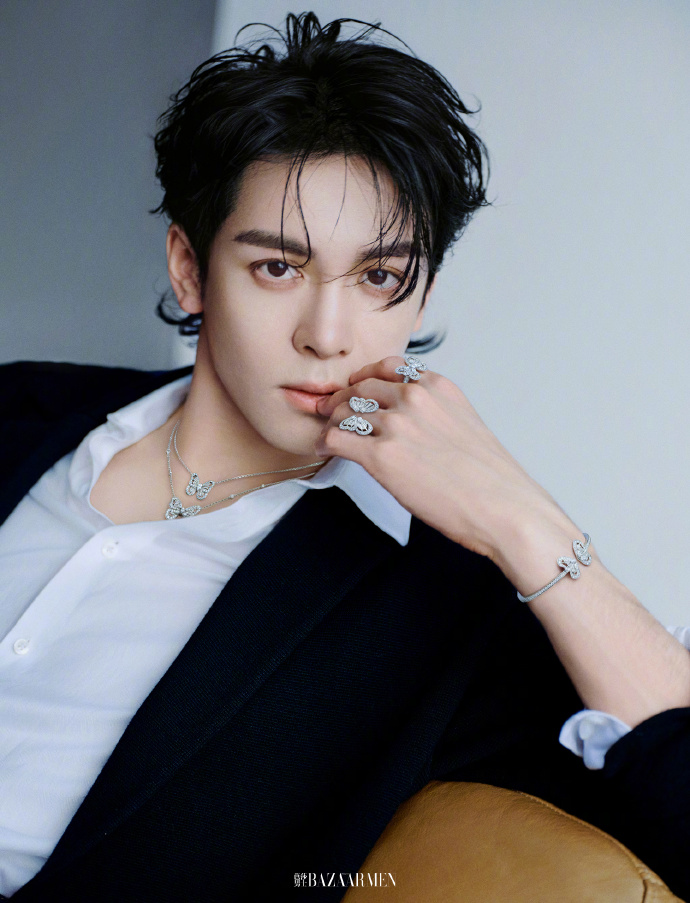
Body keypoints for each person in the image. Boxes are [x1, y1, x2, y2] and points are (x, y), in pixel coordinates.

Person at [1, 11, 689, 901]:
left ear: (420, 295)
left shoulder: (435, 617)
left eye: (378, 277)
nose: (327, 336)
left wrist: (522, 519)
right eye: (277, 268)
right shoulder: (22, 408)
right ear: (188, 269)